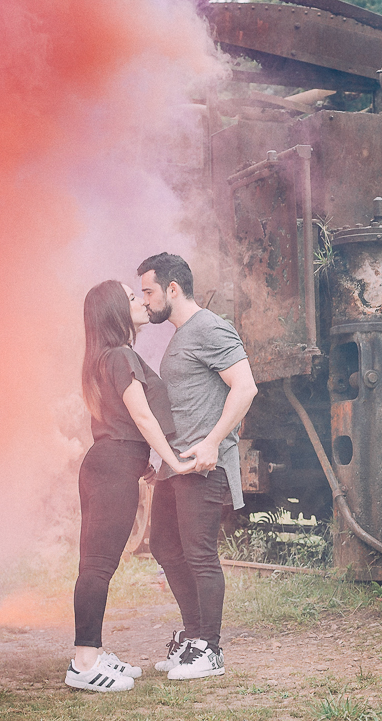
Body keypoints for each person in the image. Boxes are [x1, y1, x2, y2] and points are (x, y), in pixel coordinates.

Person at [66, 280, 196, 692]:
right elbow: (142, 417)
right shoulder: (120, 356)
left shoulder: (105, 356)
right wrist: (171, 460)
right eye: (131, 297)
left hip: (109, 465)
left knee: (95, 564)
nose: (140, 301)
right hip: (112, 468)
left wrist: (146, 463)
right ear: (114, 311)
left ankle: (92, 653)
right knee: (97, 566)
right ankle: (84, 663)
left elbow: (125, 421)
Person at [138, 252, 258, 681]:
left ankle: (210, 648)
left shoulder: (210, 327)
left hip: (203, 465)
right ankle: (192, 637)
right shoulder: (182, 334)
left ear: (172, 288)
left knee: (200, 554)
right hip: (175, 466)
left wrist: (212, 441)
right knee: (164, 547)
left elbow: (245, 387)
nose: (144, 301)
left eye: (148, 291)